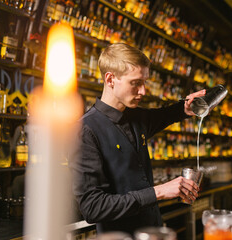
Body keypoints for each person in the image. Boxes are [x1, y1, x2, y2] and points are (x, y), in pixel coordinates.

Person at [70, 43, 206, 234]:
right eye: (135, 83)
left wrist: (187, 107)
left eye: (144, 83)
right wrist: (159, 192)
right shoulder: (85, 130)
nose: (143, 91)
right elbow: (93, 207)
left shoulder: (136, 117)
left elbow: (166, 114)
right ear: (110, 79)